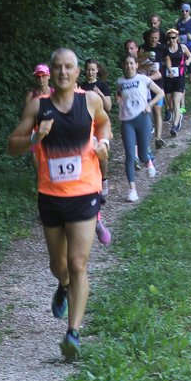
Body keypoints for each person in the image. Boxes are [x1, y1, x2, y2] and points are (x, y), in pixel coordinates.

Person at [8, 48, 112, 359]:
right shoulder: (37, 106)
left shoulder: (90, 101)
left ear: (77, 72)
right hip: (51, 196)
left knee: (79, 263)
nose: (63, 72)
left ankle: (73, 333)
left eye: (69, 67)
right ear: (51, 73)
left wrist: (103, 143)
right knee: (59, 265)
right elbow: (12, 146)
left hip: (84, 194)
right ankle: (62, 285)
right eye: (57, 67)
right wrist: (34, 139)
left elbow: (105, 124)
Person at [116, 54, 163, 202]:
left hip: (142, 118)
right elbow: (119, 97)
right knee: (130, 156)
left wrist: (149, 104)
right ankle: (132, 190)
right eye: (126, 64)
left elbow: (160, 92)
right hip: (127, 122)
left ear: (136, 65)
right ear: (124, 66)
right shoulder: (120, 82)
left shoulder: (143, 79)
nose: (129, 66)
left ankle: (149, 162)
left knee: (142, 155)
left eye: (131, 63)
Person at [80, 58, 112, 245]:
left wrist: (99, 94)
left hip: (98, 126)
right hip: (83, 130)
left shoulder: (103, 86)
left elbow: (108, 108)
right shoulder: (80, 87)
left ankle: (102, 183)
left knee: (99, 159)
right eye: (88, 70)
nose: (90, 72)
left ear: (97, 70)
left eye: (93, 70)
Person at [140, 28, 169, 148]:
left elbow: (167, 59)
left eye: (156, 38)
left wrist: (169, 70)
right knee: (147, 111)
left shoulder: (163, 48)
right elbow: (139, 63)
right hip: (145, 84)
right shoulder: (143, 48)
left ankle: (158, 137)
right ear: (148, 37)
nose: (153, 40)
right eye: (151, 38)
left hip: (158, 82)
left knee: (157, 109)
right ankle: (147, 135)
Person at [164, 28, 191, 136]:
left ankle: (175, 126)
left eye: (173, 37)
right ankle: (178, 118)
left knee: (177, 101)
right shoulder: (165, 49)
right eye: (169, 38)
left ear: (177, 38)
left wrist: (188, 60)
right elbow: (165, 60)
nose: (171, 40)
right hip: (168, 78)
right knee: (171, 105)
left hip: (180, 77)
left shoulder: (182, 47)